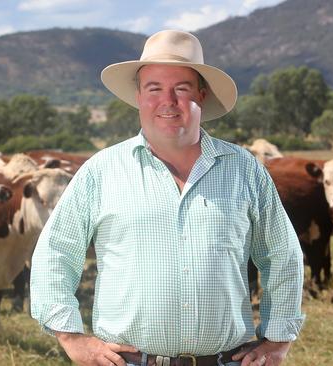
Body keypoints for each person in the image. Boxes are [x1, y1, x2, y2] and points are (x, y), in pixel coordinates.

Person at [30, 30, 305, 366]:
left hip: (225, 360)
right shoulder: (101, 170)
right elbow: (55, 252)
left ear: (201, 95)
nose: (168, 100)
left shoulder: (243, 169)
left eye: (181, 88)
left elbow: (282, 255)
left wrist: (278, 339)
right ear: (139, 96)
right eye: (154, 88)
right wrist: (71, 337)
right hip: (127, 361)